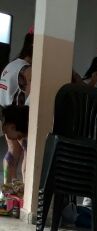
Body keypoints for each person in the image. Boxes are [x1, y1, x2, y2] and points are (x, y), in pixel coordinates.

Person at [0, 30, 32, 186]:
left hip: (7, 117)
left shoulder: (11, 65)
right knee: (28, 154)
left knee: (12, 153)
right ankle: (25, 195)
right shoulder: (27, 70)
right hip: (20, 121)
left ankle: (7, 192)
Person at [0, 105, 28, 215]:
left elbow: (27, 162)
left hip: (21, 118)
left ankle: (20, 191)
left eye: (6, 132)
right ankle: (7, 190)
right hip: (16, 116)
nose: (6, 136)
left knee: (26, 150)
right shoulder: (17, 131)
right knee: (14, 151)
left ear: (11, 127)